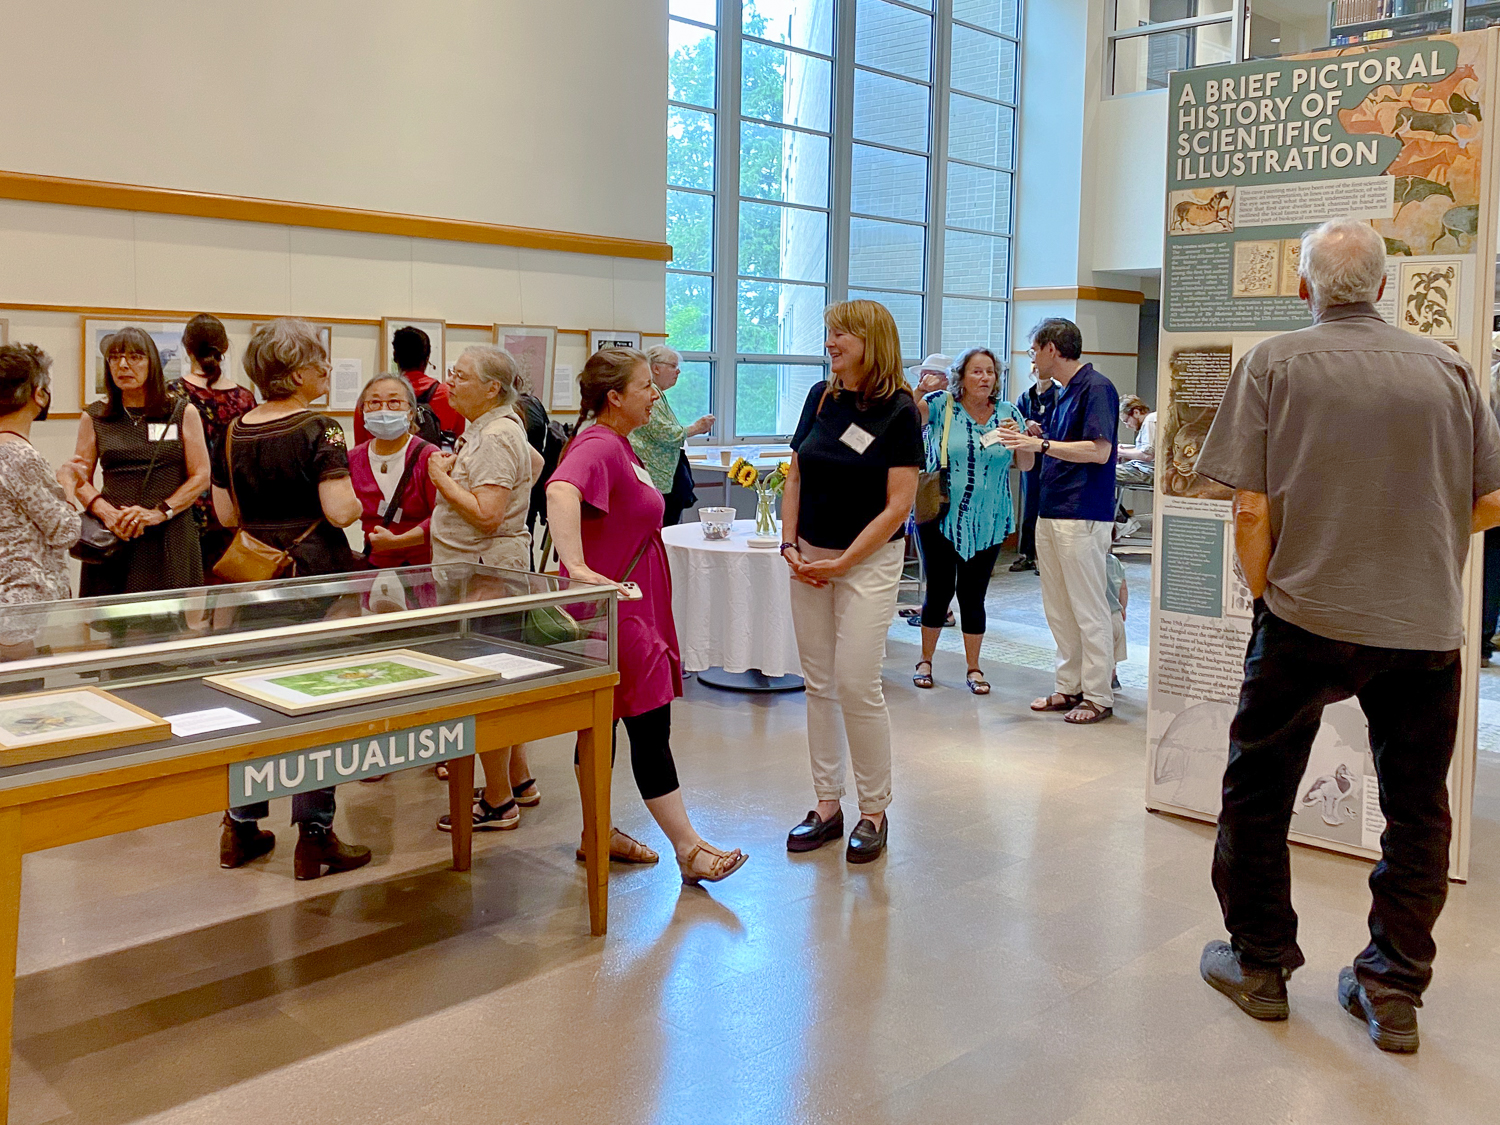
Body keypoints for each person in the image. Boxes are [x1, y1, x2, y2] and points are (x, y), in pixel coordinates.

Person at [1191, 218, 1500, 1053]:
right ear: (1387, 289)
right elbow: (1492, 500)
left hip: (1303, 614)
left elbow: (1248, 506)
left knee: (1257, 790)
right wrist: (1423, 556)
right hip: (1424, 625)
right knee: (1416, 808)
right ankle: (1392, 987)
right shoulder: (1450, 369)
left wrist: (1271, 594)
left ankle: (1258, 964)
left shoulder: (1275, 363)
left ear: (1304, 288)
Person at [546, 347, 747, 884]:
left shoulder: (619, 444)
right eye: (645, 387)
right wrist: (577, 566)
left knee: (604, 725)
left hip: (632, 606)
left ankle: (598, 832)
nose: (656, 395)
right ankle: (689, 849)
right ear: (615, 397)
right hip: (619, 613)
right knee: (648, 724)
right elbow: (561, 490)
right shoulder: (597, 444)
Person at [211, 317, 370, 880]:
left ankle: (240, 827)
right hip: (314, 579)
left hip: (252, 579)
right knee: (315, 704)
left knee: (252, 704)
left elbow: (227, 514)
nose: (326, 370)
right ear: (296, 370)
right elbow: (340, 511)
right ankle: (316, 836)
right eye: (320, 361)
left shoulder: (229, 431)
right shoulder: (321, 429)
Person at [780, 300, 922, 863]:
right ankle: (826, 805)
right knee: (818, 683)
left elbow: (897, 508)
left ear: (872, 340)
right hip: (808, 558)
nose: (831, 342)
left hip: (866, 564)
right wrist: (790, 544)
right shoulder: (821, 397)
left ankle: (874, 810)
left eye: (841, 333)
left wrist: (841, 564)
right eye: (828, 332)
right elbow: (796, 473)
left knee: (857, 682)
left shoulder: (901, 411)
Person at [428, 346, 545, 829]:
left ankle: (498, 801)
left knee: (486, 687)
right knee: (501, 678)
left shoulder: (496, 433)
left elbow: (487, 513)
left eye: (460, 377)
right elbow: (535, 464)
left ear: (492, 388)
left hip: (484, 572)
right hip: (482, 567)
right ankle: (519, 780)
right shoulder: (495, 427)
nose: (449, 384)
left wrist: (441, 478)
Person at [999, 318, 1120, 725]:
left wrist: (1043, 443)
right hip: (1051, 510)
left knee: (1088, 608)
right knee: (1059, 607)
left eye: (1034, 350)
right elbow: (1050, 450)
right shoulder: (1062, 394)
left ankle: (1099, 695)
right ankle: (1068, 686)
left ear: (1052, 348)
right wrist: (1031, 436)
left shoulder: (1096, 387)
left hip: (1083, 512)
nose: (1031, 359)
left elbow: (1100, 451)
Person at [910, 348, 1032, 694]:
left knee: (973, 594)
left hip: (990, 518)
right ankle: (925, 660)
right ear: (961, 376)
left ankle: (974, 668)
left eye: (990, 372)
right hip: (940, 514)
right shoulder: (940, 405)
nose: (985, 378)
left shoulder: (1009, 413)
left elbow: (1025, 466)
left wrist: (1020, 440)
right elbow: (905, 420)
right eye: (977, 372)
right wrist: (920, 390)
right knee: (939, 590)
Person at [63, 327, 210, 597]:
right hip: (113, 535)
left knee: (171, 625)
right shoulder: (95, 416)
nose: (123, 365)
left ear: (152, 363)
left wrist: (158, 513)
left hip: (168, 533)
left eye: (135, 357)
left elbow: (201, 475)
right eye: (115, 357)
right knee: (113, 628)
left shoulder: (181, 412)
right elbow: (78, 479)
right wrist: (107, 513)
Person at [0, 344, 80, 657]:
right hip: (17, 604)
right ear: (39, 394)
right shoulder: (20, 456)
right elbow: (64, 530)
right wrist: (67, 485)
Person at [176, 314, 257, 578]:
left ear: (187, 348)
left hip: (185, 504)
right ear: (224, 348)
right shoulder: (244, 398)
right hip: (234, 507)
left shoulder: (173, 394)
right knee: (230, 589)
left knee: (186, 590)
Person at [349, 376, 439, 568]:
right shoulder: (352, 459)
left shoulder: (428, 456)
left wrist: (400, 541)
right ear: (363, 409)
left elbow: (443, 515)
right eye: (374, 402)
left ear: (410, 412)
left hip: (422, 568)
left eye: (394, 402)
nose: (383, 410)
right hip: (374, 565)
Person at [630, 345, 714, 527]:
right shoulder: (650, 394)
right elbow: (663, 432)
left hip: (662, 477)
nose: (678, 371)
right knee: (662, 531)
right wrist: (696, 428)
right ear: (656, 368)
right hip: (655, 478)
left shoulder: (657, 393)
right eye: (673, 366)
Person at [353, 325, 464, 447]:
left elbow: (361, 446)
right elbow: (458, 442)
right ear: (427, 359)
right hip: (433, 463)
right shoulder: (450, 395)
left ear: (395, 356)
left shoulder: (371, 397)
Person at [1009, 360, 1059, 573]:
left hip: (1053, 456)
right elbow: (1017, 420)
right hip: (1031, 458)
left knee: (1049, 505)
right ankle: (1027, 554)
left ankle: (1046, 557)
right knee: (1029, 505)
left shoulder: (1059, 394)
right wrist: (1027, 421)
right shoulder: (1025, 397)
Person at [1116, 394, 1156, 485]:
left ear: (1136, 412)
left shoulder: (1150, 420)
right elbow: (1145, 450)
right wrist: (1125, 450)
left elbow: (1147, 456)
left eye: (1126, 421)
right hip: (1143, 468)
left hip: (1146, 471)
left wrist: (1120, 452)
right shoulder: (1149, 421)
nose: (1127, 426)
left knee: (1105, 472)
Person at [1105, 549, 1126, 691]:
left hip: (1102, 617)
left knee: (1103, 654)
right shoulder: (1114, 561)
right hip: (1117, 615)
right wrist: (1123, 607)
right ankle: (1113, 679)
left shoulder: (1091, 561)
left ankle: (1104, 684)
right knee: (1113, 654)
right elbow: (1123, 587)